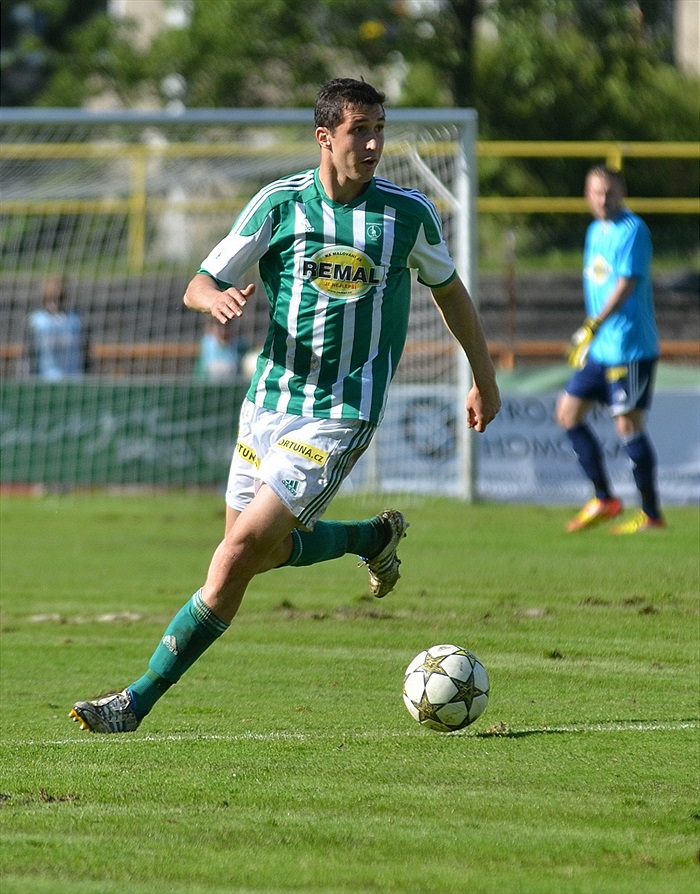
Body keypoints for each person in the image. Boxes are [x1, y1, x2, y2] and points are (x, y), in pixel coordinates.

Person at [69, 78, 501, 734]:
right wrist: (211, 300)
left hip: (341, 412)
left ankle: (134, 702)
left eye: (380, 127)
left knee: (237, 552)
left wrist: (483, 376)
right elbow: (200, 280)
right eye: (360, 130)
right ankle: (370, 537)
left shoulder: (405, 215)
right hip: (267, 404)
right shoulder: (280, 204)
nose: (375, 143)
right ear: (325, 137)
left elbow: (451, 293)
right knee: (258, 554)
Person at [556, 164, 664, 534]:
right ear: (587, 194)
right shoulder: (594, 230)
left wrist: (593, 324)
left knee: (628, 426)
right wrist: (591, 335)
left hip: (631, 348)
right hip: (601, 348)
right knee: (568, 413)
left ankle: (651, 514)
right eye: (597, 192)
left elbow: (626, 283)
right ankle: (605, 498)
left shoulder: (633, 230)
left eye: (610, 192)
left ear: (622, 193)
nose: (603, 199)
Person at [25, 275, 88, 380]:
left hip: (74, 380)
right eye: (50, 299)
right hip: (44, 380)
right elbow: (29, 356)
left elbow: (86, 352)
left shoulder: (75, 321)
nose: (54, 304)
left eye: (59, 299)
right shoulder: (37, 322)